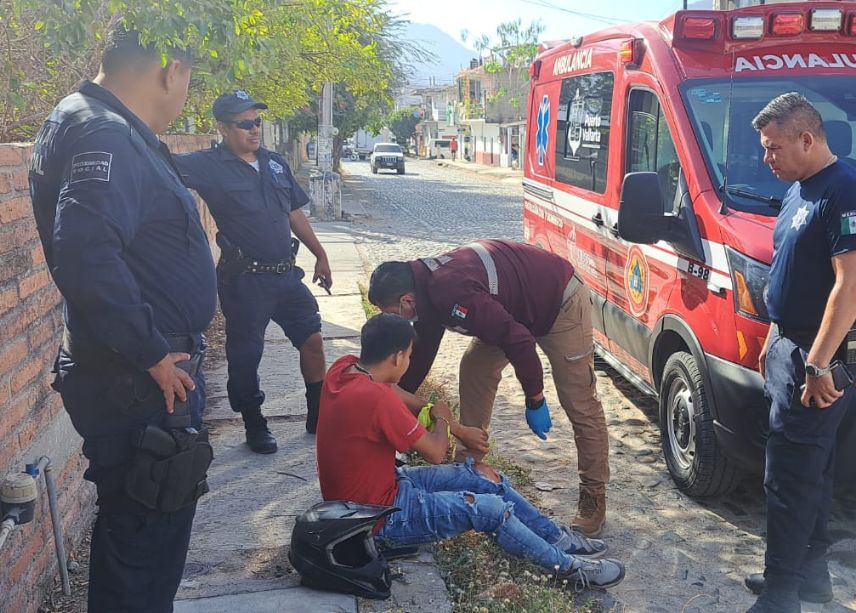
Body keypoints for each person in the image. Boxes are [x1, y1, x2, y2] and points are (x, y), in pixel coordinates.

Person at [28, 29, 217, 612]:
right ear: (171, 70)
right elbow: (86, 254)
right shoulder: (104, 135)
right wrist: (152, 353)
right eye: (188, 78)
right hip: (139, 380)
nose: (185, 93)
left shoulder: (91, 120)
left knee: (140, 530)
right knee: (145, 541)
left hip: (131, 372)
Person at [316, 314, 626, 589]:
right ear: (397, 358)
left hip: (381, 488)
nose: (410, 362)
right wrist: (441, 419)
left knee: (482, 476)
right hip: (379, 519)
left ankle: (558, 539)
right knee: (488, 509)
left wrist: (432, 408)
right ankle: (569, 569)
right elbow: (436, 452)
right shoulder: (375, 400)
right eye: (410, 356)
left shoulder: (345, 368)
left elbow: (392, 390)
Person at [367, 239, 610, 537]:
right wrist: (387, 396)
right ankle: (467, 473)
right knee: (474, 370)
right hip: (508, 310)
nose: (392, 321)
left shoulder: (450, 292)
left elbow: (519, 342)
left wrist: (534, 399)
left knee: (579, 400)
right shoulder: (423, 294)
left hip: (558, 301)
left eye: (390, 313)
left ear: (406, 301)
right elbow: (419, 356)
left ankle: (593, 495)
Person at [745, 93, 856, 613]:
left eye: (773, 147)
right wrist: (770, 340)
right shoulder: (799, 192)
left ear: (807, 138)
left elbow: (851, 284)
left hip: (817, 356)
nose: (766, 158)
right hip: (788, 344)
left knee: (789, 472)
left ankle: (782, 593)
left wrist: (819, 362)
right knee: (812, 470)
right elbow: (790, 273)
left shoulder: (846, 190)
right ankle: (811, 578)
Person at [174, 91, 331, 452]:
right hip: (245, 281)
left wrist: (320, 255)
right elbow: (160, 166)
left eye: (257, 121)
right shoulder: (208, 166)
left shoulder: (274, 163)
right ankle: (254, 422)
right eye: (245, 124)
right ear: (224, 128)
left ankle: (318, 414)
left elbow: (294, 213)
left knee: (313, 340)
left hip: (285, 276)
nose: (254, 129)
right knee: (246, 356)